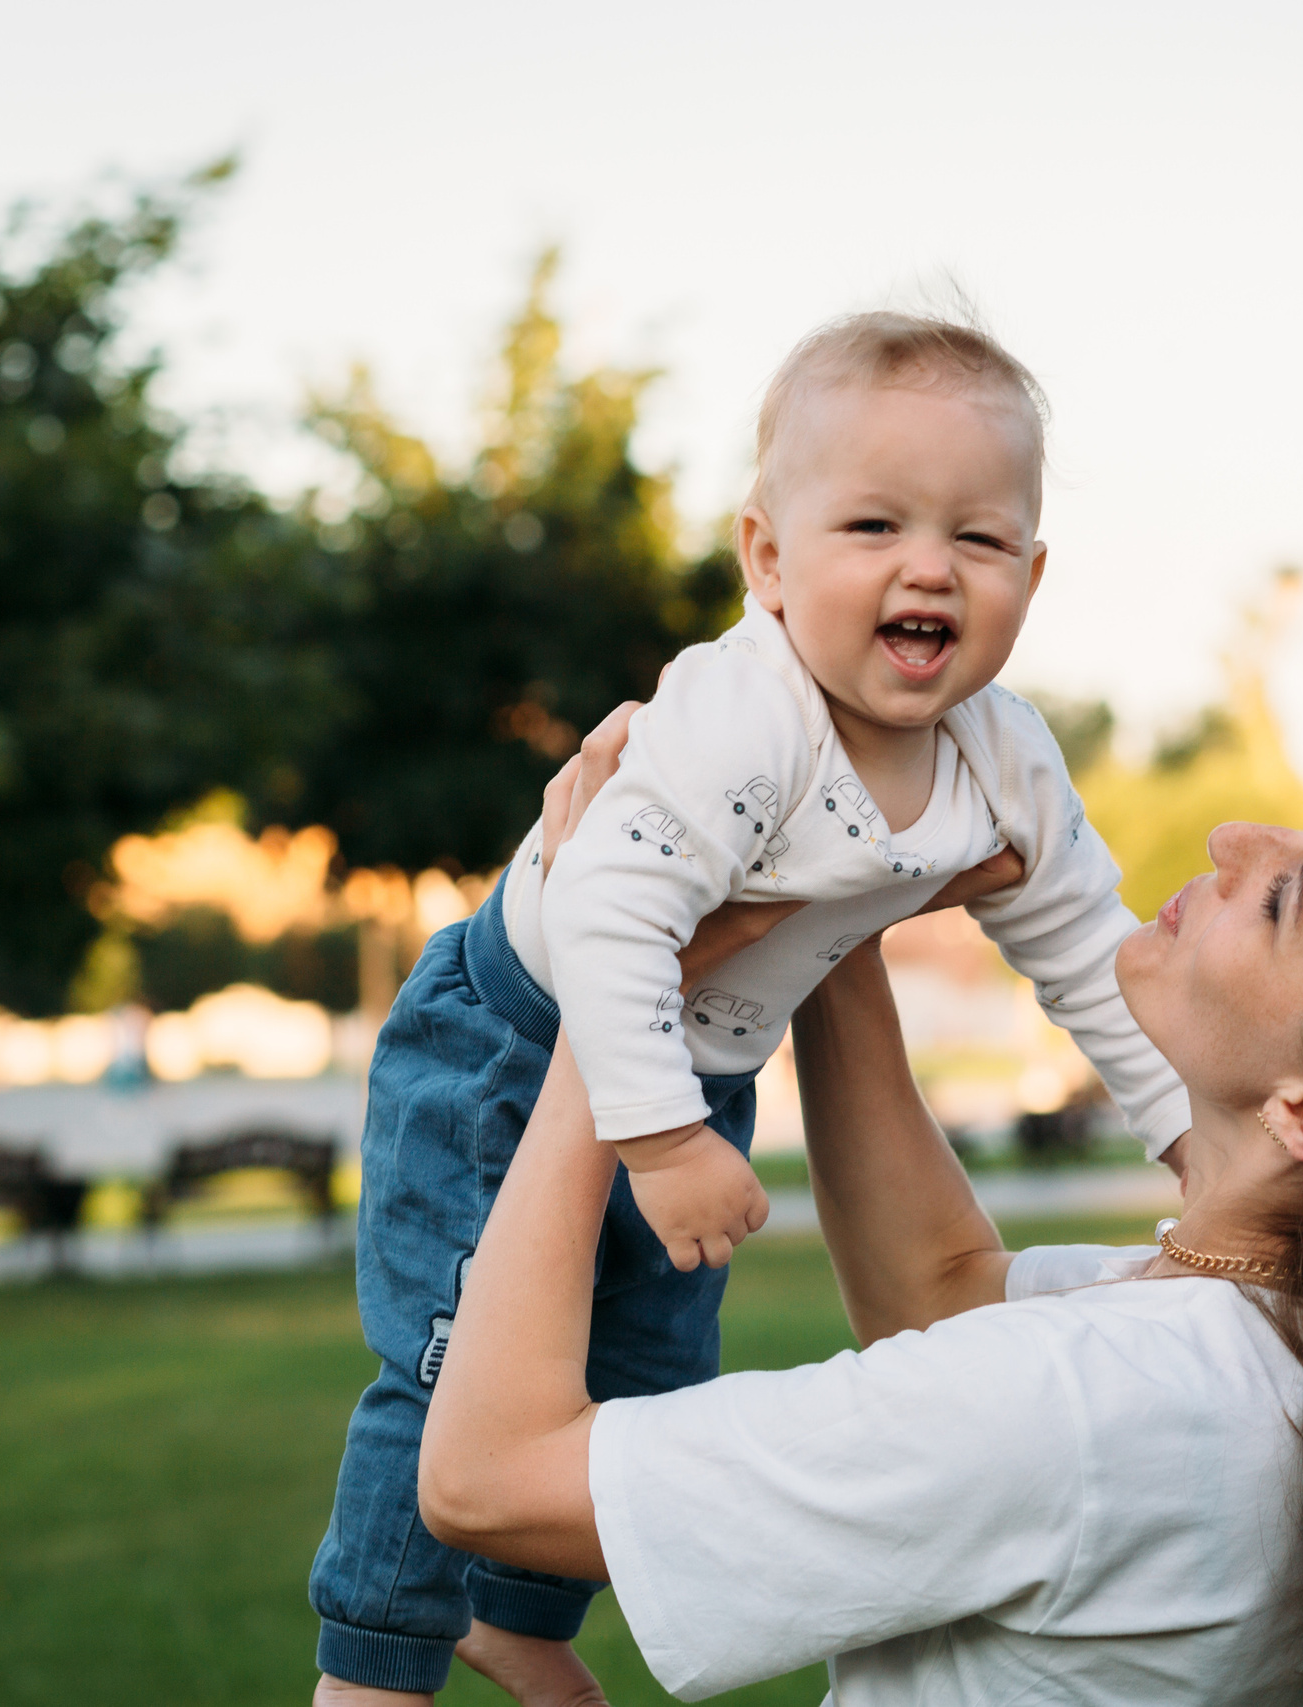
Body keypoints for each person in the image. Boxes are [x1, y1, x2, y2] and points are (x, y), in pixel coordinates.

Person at [388, 743, 1303, 1705]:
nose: (1232, 838)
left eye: (1288, 890)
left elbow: (489, 1481)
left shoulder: (1100, 1413)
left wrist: (612, 992)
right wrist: (833, 920)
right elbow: (940, 1295)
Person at [309, 312, 1191, 1699]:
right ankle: (372, 1665)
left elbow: (1090, 954)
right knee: (446, 1354)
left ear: (1032, 571)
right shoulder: (745, 716)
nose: (927, 567)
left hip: (698, 1074)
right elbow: (610, 914)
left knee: (652, 1379)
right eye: (874, 527)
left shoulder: (1003, 757)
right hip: (513, 1039)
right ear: (768, 560)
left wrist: (1205, 1153)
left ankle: (518, 1620)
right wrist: (660, 1140)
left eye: (977, 538)